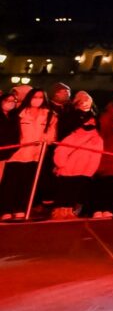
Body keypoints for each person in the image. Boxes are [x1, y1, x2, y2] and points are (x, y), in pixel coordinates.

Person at [2, 89, 57, 218]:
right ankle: (5, 210)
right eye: (35, 97)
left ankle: (20, 208)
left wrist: (46, 139)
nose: (37, 100)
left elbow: (51, 135)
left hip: (35, 155)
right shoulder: (19, 113)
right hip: (16, 154)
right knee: (10, 184)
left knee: (27, 184)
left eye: (40, 97)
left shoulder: (50, 115)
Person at [52, 116, 103, 218]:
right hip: (67, 169)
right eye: (88, 121)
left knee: (76, 192)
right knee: (64, 191)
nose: (90, 123)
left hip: (83, 171)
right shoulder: (72, 136)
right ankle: (59, 212)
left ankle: (71, 212)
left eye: (93, 122)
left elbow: (96, 157)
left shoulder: (98, 140)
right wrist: (61, 164)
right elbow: (61, 151)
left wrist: (89, 172)